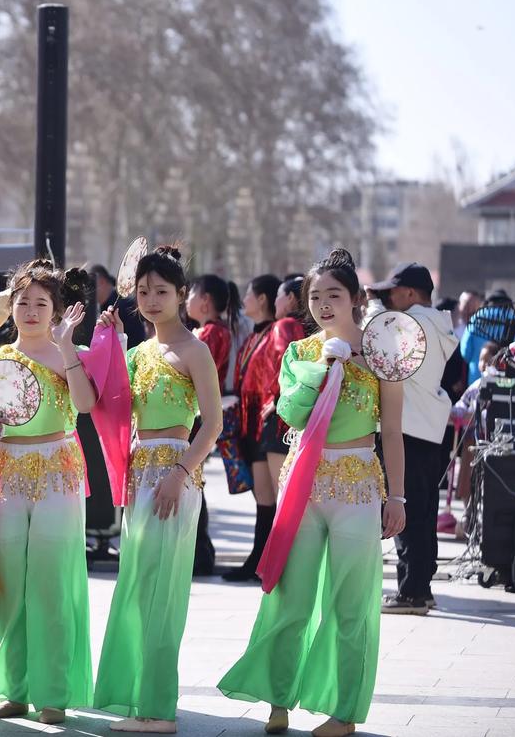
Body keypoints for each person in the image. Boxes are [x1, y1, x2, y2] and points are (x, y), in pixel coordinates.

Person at [220, 249, 406, 737]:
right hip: (304, 482)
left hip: (359, 483)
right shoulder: (301, 352)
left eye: (334, 296)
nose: (324, 305)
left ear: (357, 298)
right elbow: (292, 415)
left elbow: (392, 434)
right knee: (290, 596)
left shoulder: (384, 355)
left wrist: (399, 497)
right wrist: (322, 367)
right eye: (316, 297)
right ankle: (278, 698)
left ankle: (343, 711)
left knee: (351, 604)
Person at [0, 261, 96, 726]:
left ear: (56, 310)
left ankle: (54, 692)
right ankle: (13, 688)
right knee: (8, 583)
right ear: (8, 307)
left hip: (57, 472)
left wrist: (69, 348)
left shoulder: (66, 356)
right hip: (6, 473)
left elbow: (85, 405)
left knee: (51, 583)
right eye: (22, 302)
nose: (31, 311)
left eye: (42, 303)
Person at [93, 246, 222, 733]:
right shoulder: (138, 352)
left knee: (162, 593)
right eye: (143, 290)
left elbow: (212, 423)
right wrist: (107, 340)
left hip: (173, 475)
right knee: (137, 586)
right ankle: (139, 699)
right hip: (139, 475)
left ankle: (157, 709)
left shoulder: (195, 350)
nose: (150, 299)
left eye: (161, 291)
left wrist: (180, 472)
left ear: (182, 295)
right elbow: (103, 405)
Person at [367, 264, 456, 616]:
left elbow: (376, 342)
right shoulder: (436, 323)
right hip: (428, 429)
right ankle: (420, 587)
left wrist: (374, 308)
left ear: (410, 293)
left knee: (404, 511)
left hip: (406, 429)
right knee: (423, 512)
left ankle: (412, 592)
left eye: (391, 292)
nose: (387, 298)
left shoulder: (411, 323)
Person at [225, 274, 305, 583]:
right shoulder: (270, 330)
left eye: (280, 296)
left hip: (272, 419)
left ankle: (272, 562)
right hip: (259, 419)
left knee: (276, 495)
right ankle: (260, 558)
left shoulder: (284, 327)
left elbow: (288, 366)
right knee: (267, 496)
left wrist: (279, 398)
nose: (275, 302)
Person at [184, 273, 234, 576]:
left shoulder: (205, 336)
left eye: (190, 294)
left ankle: (199, 551)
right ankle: (200, 550)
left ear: (204, 301)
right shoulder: (217, 332)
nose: (186, 300)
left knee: (191, 482)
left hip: (196, 417)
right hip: (202, 414)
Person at [460, 291, 515, 384]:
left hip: (476, 379)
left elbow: (466, 353)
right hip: (506, 381)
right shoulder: (513, 318)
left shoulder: (477, 317)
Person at [86, 262, 146, 348]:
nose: (89, 291)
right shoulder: (103, 307)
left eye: (91, 286)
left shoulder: (125, 305)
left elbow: (135, 340)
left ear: (101, 282)